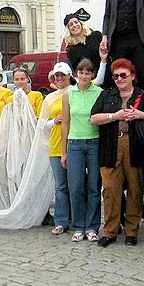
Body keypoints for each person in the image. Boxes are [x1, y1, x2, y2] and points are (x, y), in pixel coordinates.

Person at [91, 58, 144, 247]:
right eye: (116, 76)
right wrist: (114, 116)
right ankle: (110, 230)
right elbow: (93, 118)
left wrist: (142, 115)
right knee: (110, 190)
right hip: (110, 145)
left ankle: (132, 231)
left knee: (135, 189)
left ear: (132, 76)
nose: (119, 79)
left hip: (135, 145)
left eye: (123, 75)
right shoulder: (106, 95)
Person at [61, 58, 104, 242]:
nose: (84, 76)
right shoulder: (68, 94)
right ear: (76, 74)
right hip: (75, 144)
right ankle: (79, 226)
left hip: (94, 142)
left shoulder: (99, 92)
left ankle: (92, 226)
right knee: (76, 186)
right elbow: (65, 123)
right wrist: (64, 151)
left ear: (92, 75)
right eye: (81, 72)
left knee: (94, 186)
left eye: (88, 73)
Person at [41, 62, 75, 234]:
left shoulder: (75, 92)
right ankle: (61, 220)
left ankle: (77, 218)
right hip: (55, 145)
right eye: (57, 76)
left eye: (63, 75)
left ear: (69, 76)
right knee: (61, 186)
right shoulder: (49, 98)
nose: (60, 78)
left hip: (74, 143)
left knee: (76, 184)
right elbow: (42, 124)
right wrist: (54, 121)